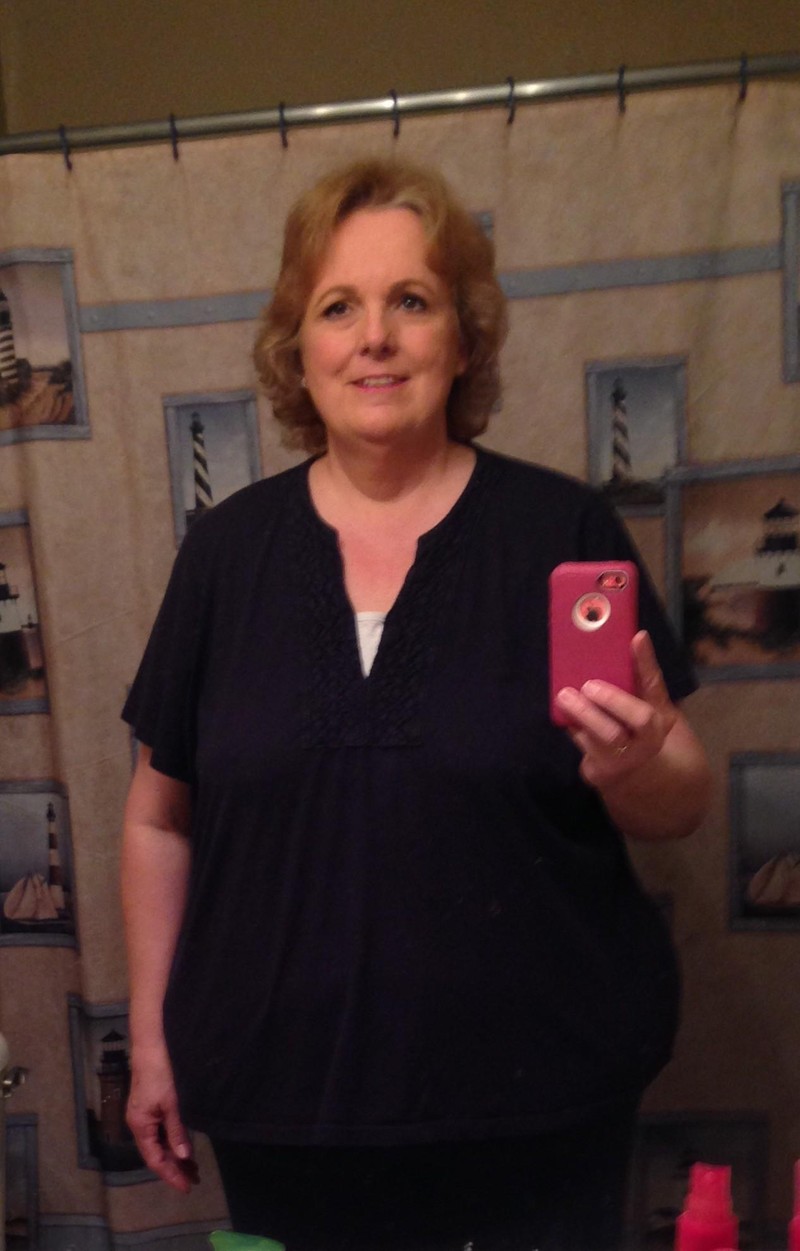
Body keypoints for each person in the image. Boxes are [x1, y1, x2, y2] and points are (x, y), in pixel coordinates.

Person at [121, 158, 711, 1251]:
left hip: (539, 1102)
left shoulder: (561, 531)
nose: (375, 338)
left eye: (411, 301)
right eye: (337, 307)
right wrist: (153, 1039)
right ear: (298, 346)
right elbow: (160, 818)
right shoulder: (223, 557)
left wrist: (639, 767)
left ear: (463, 338)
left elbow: (678, 801)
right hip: (283, 1106)